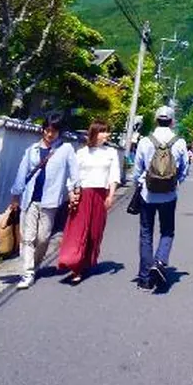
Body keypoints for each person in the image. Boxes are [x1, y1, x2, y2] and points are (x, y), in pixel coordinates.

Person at [9, 112, 80, 290]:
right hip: (30, 199)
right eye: (47, 130)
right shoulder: (32, 150)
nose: (49, 134)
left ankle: (36, 263)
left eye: (53, 131)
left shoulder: (66, 150)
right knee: (28, 238)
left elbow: (73, 174)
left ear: (59, 132)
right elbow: (21, 173)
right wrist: (15, 196)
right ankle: (28, 272)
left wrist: (73, 191)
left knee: (43, 237)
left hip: (50, 200)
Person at [132, 105, 189, 291]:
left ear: (156, 120)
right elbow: (184, 169)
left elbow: (137, 170)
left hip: (147, 194)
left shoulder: (145, 141)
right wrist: (175, 183)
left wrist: (140, 183)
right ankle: (160, 261)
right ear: (172, 122)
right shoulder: (179, 142)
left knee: (146, 233)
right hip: (169, 195)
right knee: (167, 231)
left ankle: (145, 277)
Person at [57, 120, 119, 284]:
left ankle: (85, 262)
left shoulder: (110, 152)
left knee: (94, 231)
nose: (106, 134)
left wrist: (111, 195)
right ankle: (74, 265)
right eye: (103, 131)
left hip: (100, 194)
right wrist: (71, 193)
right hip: (83, 193)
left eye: (107, 131)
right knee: (78, 230)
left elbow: (114, 175)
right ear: (94, 133)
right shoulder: (82, 153)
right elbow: (73, 175)